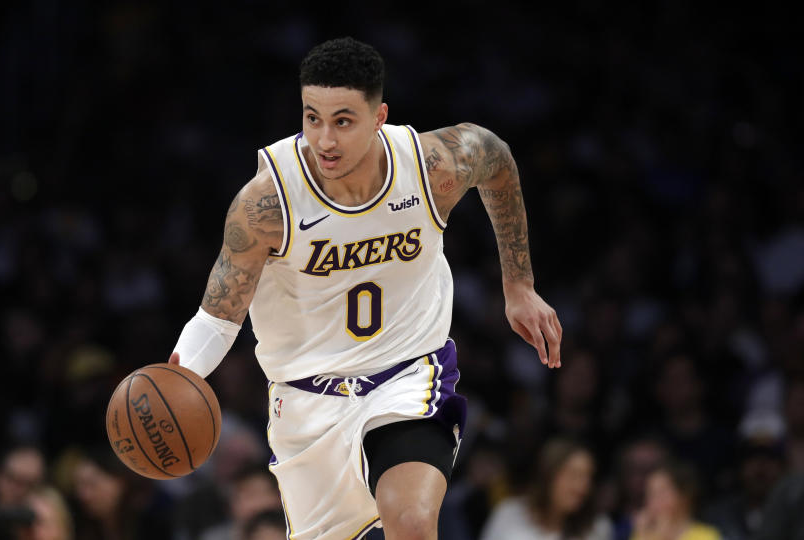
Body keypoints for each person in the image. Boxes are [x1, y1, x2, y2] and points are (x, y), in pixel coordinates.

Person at [164, 37, 562, 540]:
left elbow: (496, 158)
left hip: (405, 376)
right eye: (313, 118)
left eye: (343, 121)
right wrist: (178, 374)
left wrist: (519, 284)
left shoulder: (428, 167)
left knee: (412, 521)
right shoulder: (267, 203)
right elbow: (218, 319)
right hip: (307, 405)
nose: (324, 139)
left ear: (379, 117)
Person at [480, 438, 613, 540]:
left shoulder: (598, 528)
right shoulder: (509, 513)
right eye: (573, 475)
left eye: (588, 478)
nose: (582, 487)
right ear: (548, 476)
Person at [631, 461, 721, 540]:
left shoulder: (706, 536)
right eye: (650, 494)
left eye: (662, 492)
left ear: (685, 496)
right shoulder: (643, 534)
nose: (655, 500)